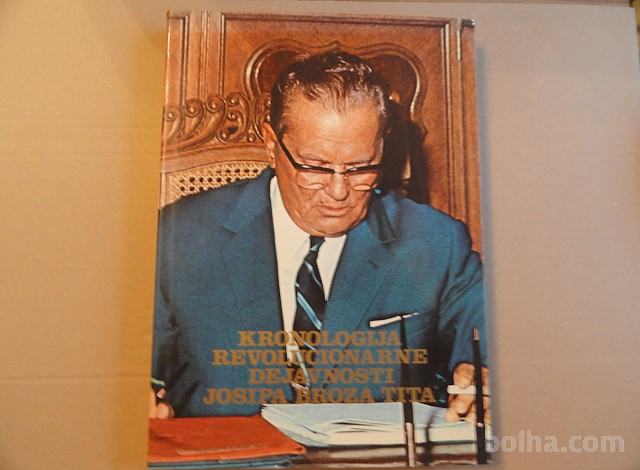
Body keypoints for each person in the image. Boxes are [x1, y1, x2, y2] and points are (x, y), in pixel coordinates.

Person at [149, 51, 488, 423]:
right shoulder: (180, 237)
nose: (339, 192)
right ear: (271, 144)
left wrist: (487, 379)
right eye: (315, 167)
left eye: (360, 167)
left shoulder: (436, 242)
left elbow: (495, 346)